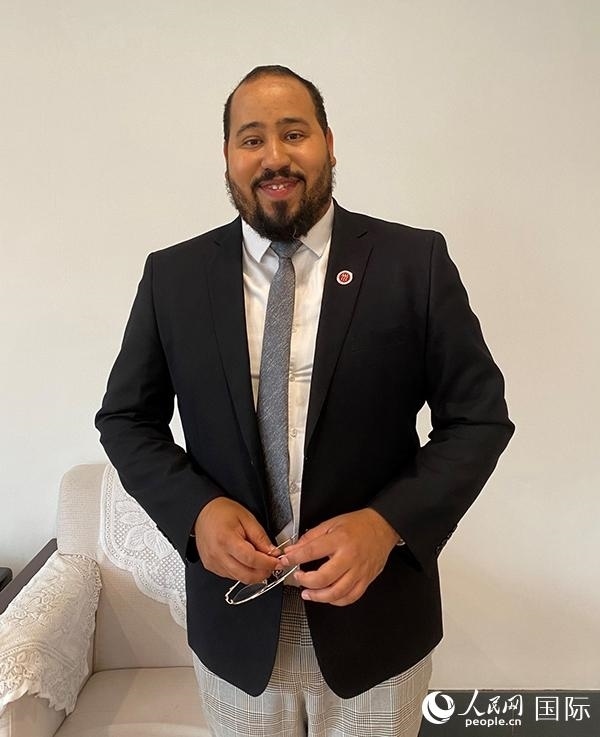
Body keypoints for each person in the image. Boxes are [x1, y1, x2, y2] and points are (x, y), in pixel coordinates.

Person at [96, 65, 514, 737]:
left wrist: (386, 524)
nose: (274, 156)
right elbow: (125, 419)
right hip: (235, 629)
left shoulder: (414, 262)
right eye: (251, 139)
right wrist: (196, 512)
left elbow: (478, 418)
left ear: (328, 142)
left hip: (378, 624)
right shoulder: (173, 277)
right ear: (227, 156)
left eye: (294, 133)